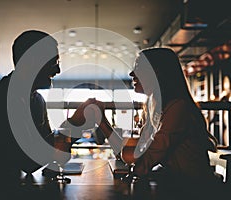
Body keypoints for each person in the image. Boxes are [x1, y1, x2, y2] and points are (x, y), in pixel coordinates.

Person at [0, 30, 97, 200]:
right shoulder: (0, 99)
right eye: (54, 62)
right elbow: (30, 161)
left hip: (8, 187)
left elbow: (48, 151)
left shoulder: (37, 100)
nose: (59, 69)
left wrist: (77, 126)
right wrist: (74, 123)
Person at [95, 47, 223, 199]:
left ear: (158, 73)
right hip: (174, 186)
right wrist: (102, 121)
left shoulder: (178, 107)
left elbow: (142, 163)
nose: (131, 74)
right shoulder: (152, 105)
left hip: (194, 191)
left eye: (138, 68)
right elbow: (136, 155)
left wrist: (104, 124)